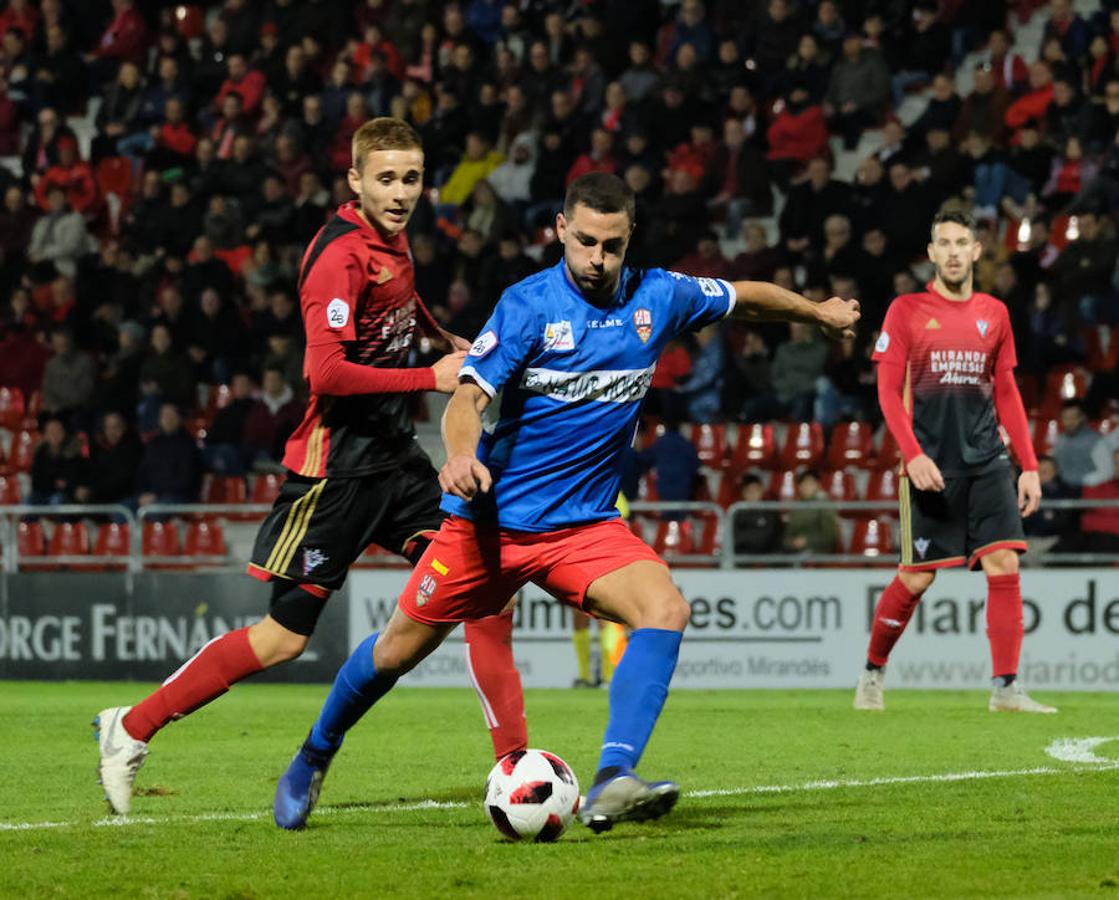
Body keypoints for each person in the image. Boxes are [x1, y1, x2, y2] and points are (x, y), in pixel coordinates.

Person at [273, 172, 860, 833]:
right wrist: (461, 456)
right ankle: (313, 754)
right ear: (559, 230)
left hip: (583, 529)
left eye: (611, 245)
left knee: (665, 608)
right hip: (492, 528)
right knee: (393, 653)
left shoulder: (658, 295)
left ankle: (613, 777)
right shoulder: (528, 307)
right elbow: (467, 398)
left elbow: (741, 297)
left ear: (628, 237)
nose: (597, 258)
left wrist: (813, 311)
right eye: (584, 241)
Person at [93, 118, 527, 816]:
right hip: (333, 474)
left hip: (395, 462)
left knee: (488, 583)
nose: (400, 192)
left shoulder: (390, 240)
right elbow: (325, 373)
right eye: (385, 178)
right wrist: (430, 375)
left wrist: (438, 333)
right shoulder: (338, 257)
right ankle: (131, 727)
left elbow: (395, 297)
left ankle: (513, 764)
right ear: (354, 180)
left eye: (410, 178)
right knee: (283, 639)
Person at [853, 208, 1054, 715]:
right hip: (931, 465)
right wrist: (912, 455)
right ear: (931, 253)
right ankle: (873, 673)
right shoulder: (905, 310)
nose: (953, 252)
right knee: (918, 577)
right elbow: (885, 392)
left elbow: (1006, 391)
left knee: (1004, 561)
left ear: (976, 250)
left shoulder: (996, 313)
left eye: (961, 242)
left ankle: (1006, 688)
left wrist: (1027, 464)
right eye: (944, 243)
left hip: (987, 460)